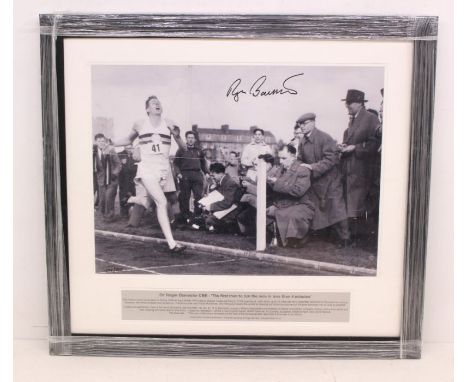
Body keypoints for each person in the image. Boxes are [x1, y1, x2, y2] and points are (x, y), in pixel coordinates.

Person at [113, 95, 187, 253]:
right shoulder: (140, 123)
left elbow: (184, 148)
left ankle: (132, 198)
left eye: (159, 103)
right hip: (146, 168)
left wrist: (177, 135)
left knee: (150, 203)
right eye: (154, 103)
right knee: (162, 202)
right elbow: (128, 139)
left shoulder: (169, 123)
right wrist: (111, 143)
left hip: (163, 170)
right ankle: (172, 243)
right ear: (147, 109)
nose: (157, 104)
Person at [295, 112, 351, 247]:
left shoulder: (324, 138)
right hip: (316, 180)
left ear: (313, 123)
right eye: (300, 124)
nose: (302, 127)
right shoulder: (303, 141)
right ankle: (317, 235)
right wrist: (297, 166)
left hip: (331, 180)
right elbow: (300, 158)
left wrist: (313, 167)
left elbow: (331, 159)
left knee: (337, 208)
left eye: (305, 123)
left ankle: (345, 238)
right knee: (316, 208)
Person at [338, 89, 380, 242]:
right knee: (351, 204)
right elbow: (352, 140)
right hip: (350, 169)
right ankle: (351, 238)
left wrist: (355, 148)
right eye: (346, 103)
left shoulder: (371, 118)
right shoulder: (353, 119)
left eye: (349, 103)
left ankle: (358, 239)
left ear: (359, 103)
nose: (347, 106)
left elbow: (375, 144)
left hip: (363, 171)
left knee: (359, 205)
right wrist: (344, 146)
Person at [267, 145, 315, 248]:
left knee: (290, 216)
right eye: (279, 158)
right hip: (282, 204)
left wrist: (277, 182)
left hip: (300, 205)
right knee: (264, 213)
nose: (280, 161)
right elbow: (272, 183)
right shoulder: (280, 169)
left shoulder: (302, 169)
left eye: (284, 158)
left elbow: (298, 191)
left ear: (293, 156)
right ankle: (280, 237)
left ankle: (296, 238)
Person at [174, 131, 209, 224]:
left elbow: (203, 163)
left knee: (199, 196)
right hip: (185, 175)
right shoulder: (181, 150)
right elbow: (175, 164)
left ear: (195, 139)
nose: (190, 139)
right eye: (189, 137)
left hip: (197, 175)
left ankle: (197, 217)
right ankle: (184, 217)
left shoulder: (199, 150)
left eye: (192, 138)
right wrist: (178, 173)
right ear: (186, 139)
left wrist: (206, 172)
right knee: (184, 197)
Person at [203, 162, 241, 233]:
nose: (212, 177)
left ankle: (230, 226)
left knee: (208, 220)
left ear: (220, 174)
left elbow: (227, 202)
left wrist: (211, 207)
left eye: (213, 175)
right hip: (226, 208)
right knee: (205, 219)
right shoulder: (223, 181)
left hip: (232, 209)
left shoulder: (230, 183)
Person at [93, 133, 122, 222]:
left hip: (111, 179)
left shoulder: (111, 150)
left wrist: (114, 173)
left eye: (103, 141)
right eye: (99, 141)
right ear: (96, 142)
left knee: (109, 197)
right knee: (102, 199)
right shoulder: (93, 151)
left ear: (105, 141)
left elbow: (119, 164)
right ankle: (103, 216)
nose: (101, 143)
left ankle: (109, 217)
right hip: (101, 179)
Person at [117, 145, 137, 218]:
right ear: (124, 147)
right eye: (128, 148)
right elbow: (117, 166)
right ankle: (124, 213)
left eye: (131, 147)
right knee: (123, 195)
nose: (130, 149)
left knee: (133, 195)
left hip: (133, 179)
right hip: (123, 179)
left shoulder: (135, 155)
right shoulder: (120, 154)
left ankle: (133, 213)